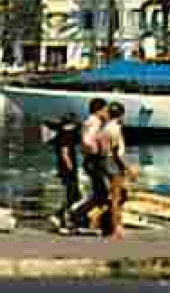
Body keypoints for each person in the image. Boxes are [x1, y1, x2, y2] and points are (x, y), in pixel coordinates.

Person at [102, 101, 136, 241]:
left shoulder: (107, 127)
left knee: (119, 195)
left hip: (108, 161)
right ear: (121, 114)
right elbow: (117, 153)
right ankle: (116, 228)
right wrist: (128, 168)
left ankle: (115, 225)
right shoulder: (114, 129)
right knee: (116, 198)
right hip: (114, 163)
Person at [78, 97, 111, 234]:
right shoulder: (95, 122)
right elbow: (87, 141)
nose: (107, 112)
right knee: (101, 194)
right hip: (94, 160)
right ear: (100, 109)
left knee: (100, 192)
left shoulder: (93, 121)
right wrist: (97, 151)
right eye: (105, 109)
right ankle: (79, 214)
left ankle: (88, 218)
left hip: (91, 160)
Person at [47, 111, 83, 234]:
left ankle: (62, 217)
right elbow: (65, 152)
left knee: (72, 194)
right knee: (72, 194)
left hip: (65, 168)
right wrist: (70, 166)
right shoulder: (67, 134)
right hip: (68, 168)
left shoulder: (63, 133)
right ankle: (61, 217)